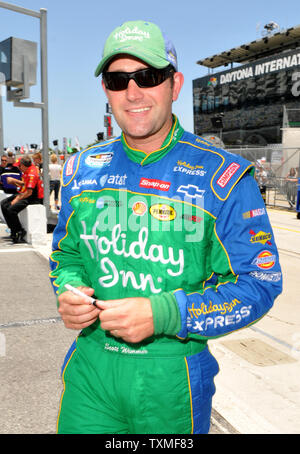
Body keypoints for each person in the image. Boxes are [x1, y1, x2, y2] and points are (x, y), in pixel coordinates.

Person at [49, 20, 282, 434]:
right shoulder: (81, 169)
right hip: (91, 370)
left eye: (148, 77)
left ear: (174, 85)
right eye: (118, 80)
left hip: (171, 381)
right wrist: (69, 290)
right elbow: (66, 256)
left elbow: (260, 284)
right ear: (106, 91)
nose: (133, 92)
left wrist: (165, 314)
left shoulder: (223, 176)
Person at [1, 155, 43, 243]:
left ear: (23, 165)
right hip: (24, 193)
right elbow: (24, 184)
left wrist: (16, 200)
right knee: (3, 203)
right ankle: (13, 229)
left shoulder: (32, 173)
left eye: (19, 166)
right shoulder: (26, 170)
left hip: (32, 197)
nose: (18, 168)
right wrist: (14, 181)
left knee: (11, 209)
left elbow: (29, 192)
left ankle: (19, 230)